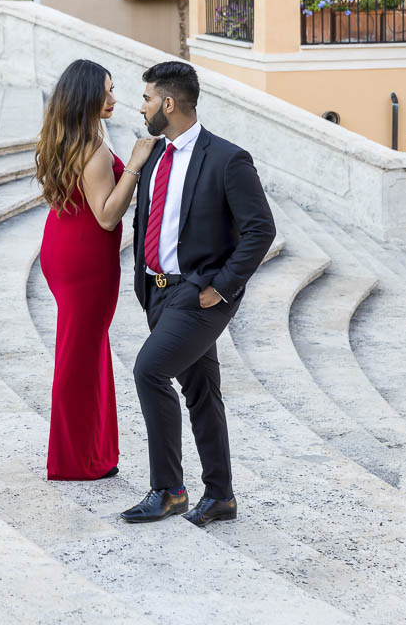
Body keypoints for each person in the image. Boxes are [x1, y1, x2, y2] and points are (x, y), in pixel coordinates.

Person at [121, 61, 276, 525]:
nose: (142, 105)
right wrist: (143, 280)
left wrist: (222, 288)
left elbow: (260, 230)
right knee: (202, 391)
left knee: (149, 372)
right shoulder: (155, 155)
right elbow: (145, 219)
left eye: (147, 97)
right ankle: (221, 496)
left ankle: (168, 489)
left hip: (199, 295)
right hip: (158, 292)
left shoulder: (228, 159)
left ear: (168, 103)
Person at [36, 59, 157, 481]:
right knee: (80, 357)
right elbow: (107, 216)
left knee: (86, 351)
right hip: (86, 260)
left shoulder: (70, 135)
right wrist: (138, 164)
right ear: (86, 95)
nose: (114, 98)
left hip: (62, 248)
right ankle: (73, 460)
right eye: (106, 91)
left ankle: (94, 450)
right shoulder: (95, 147)